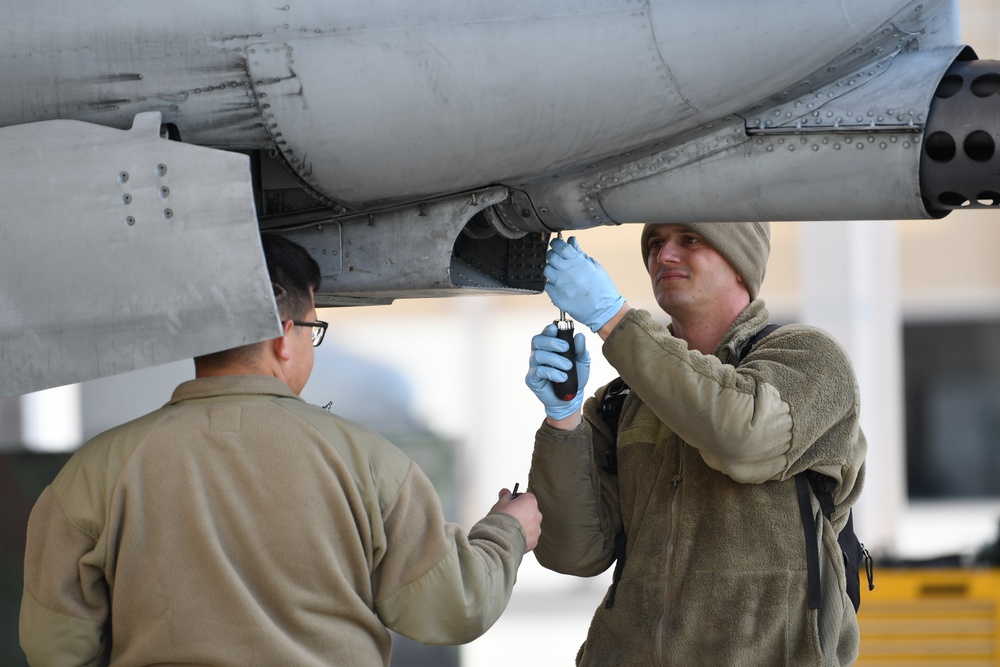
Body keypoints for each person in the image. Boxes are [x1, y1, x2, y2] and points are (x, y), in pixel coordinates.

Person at [20, 234, 542, 666]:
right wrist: (506, 533)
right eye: (314, 329)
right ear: (284, 336)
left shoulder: (93, 472)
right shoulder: (370, 464)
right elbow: (452, 608)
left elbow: (54, 647)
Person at [524, 223, 866, 665]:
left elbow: (744, 438)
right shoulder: (624, 398)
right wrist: (564, 418)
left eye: (689, 240)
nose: (663, 256)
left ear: (740, 263)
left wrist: (614, 318)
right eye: (655, 243)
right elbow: (572, 553)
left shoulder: (809, 358)